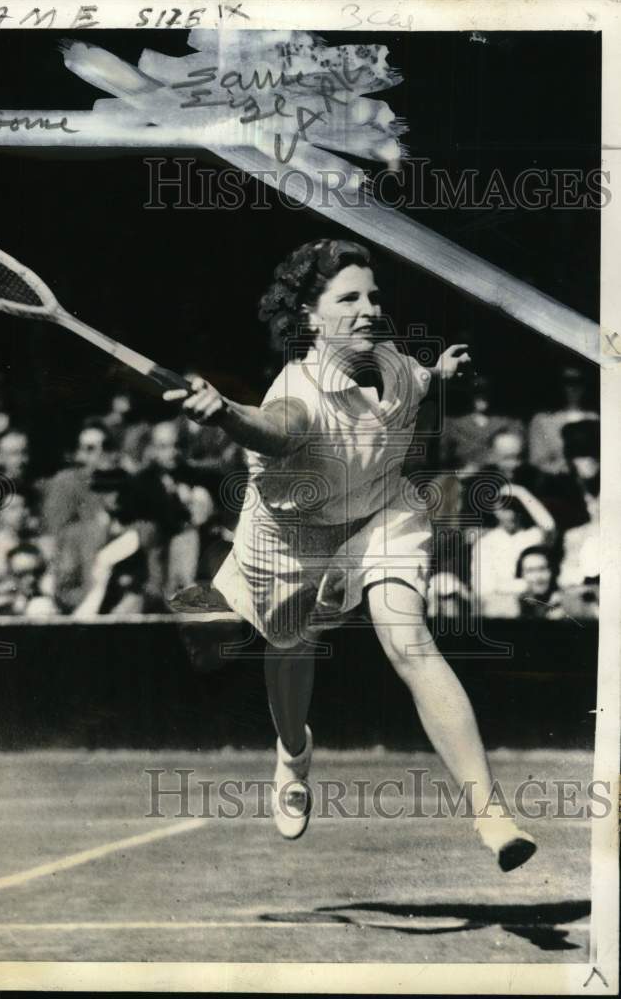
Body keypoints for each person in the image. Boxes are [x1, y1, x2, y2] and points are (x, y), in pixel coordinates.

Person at [166, 238, 536, 871]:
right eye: (348, 299)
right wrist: (225, 413)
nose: (368, 309)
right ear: (309, 317)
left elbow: (414, 383)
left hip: (379, 515)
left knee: (408, 640)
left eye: (373, 296)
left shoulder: (391, 362)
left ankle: (489, 813)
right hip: (289, 538)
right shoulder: (298, 396)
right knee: (292, 651)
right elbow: (271, 425)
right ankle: (293, 753)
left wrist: (440, 371)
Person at [53, 467, 163, 615]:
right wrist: (92, 598)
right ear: (96, 494)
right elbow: (64, 588)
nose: (116, 496)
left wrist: (135, 597)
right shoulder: (76, 534)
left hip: (131, 612)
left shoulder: (144, 532)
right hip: (87, 614)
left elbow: (155, 583)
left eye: (121, 490)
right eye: (108, 490)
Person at [469, 484, 557, 618]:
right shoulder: (485, 543)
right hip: (499, 605)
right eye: (505, 508)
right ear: (495, 510)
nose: (511, 514)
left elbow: (549, 526)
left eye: (515, 508)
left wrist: (521, 492)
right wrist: (518, 587)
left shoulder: (532, 536)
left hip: (533, 603)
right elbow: (482, 587)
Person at [528, 365, 598, 475]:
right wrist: (567, 470)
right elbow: (537, 461)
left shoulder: (596, 418)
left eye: (579, 381)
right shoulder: (543, 421)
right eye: (568, 382)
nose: (574, 388)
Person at [515, 546, 565, 621]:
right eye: (530, 570)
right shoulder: (519, 604)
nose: (537, 577)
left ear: (554, 571)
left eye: (542, 569)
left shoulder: (568, 603)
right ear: (522, 574)